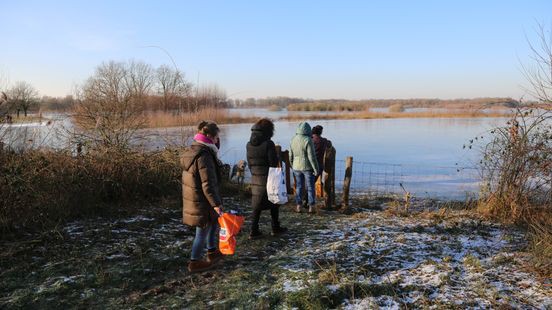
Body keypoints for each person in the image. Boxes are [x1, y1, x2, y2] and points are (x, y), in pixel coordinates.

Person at [181, 121, 224, 273]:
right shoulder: (204, 155)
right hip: (202, 200)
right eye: (217, 137)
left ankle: (212, 252)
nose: (218, 140)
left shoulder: (194, 150)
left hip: (198, 198)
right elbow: (208, 183)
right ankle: (195, 261)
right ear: (210, 136)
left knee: (213, 224)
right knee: (202, 230)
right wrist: (216, 204)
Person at [246, 118, 288, 239]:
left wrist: (255, 172)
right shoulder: (268, 144)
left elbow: (249, 163)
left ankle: (253, 231)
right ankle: (275, 228)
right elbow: (273, 163)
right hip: (269, 178)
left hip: (255, 178)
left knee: (256, 205)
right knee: (274, 202)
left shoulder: (248, 144)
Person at [290, 122, 320, 214]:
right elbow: (311, 156)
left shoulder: (293, 139)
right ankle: (311, 207)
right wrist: (316, 169)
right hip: (307, 167)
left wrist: (292, 164)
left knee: (299, 186)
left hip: (296, 167)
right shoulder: (308, 140)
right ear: (308, 130)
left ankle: (299, 206)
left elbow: (290, 155)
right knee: (310, 187)